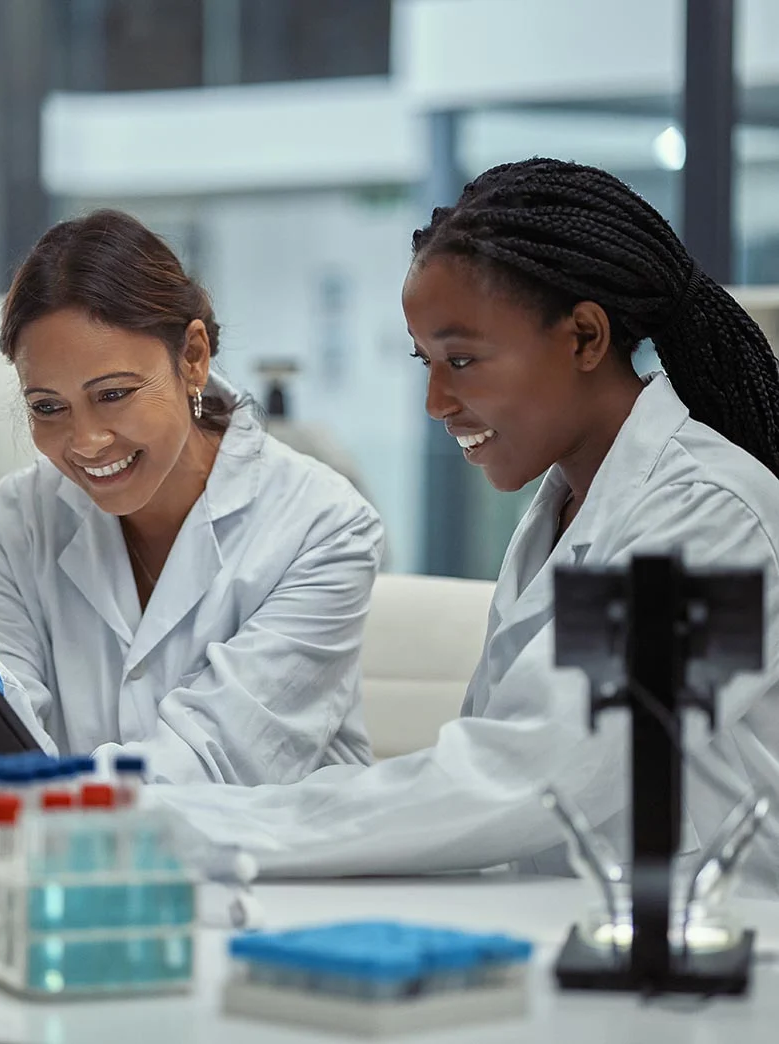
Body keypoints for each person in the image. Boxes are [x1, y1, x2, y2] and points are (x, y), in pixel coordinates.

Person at [151, 158, 779, 893]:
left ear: (583, 337)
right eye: (425, 361)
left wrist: (198, 827)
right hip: (579, 932)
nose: (436, 401)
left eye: (462, 359)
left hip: (725, 967)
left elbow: (530, 773)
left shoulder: (713, 517)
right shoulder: (563, 512)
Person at [0, 210, 382, 837]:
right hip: (80, 891)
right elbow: (5, 735)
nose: (87, 441)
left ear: (193, 358)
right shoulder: (17, 523)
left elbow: (218, 761)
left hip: (278, 891)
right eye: (48, 407)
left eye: (114, 394)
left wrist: (21, 793)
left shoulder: (323, 525)